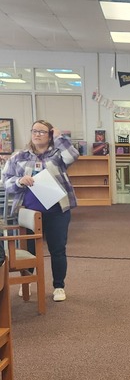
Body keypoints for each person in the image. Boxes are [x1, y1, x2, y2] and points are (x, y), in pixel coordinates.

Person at [2, 121, 79, 302]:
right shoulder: (19, 156)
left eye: (42, 132)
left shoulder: (58, 155)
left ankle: (59, 286)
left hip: (57, 210)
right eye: (34, 131)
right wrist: (20, 180)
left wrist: (60, 138)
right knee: (29, 249)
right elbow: (4, 181)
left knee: (57, 249)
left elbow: (73, 155)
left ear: (50, 134)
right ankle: (27, 282)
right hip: (29, 212)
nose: (37, 134)